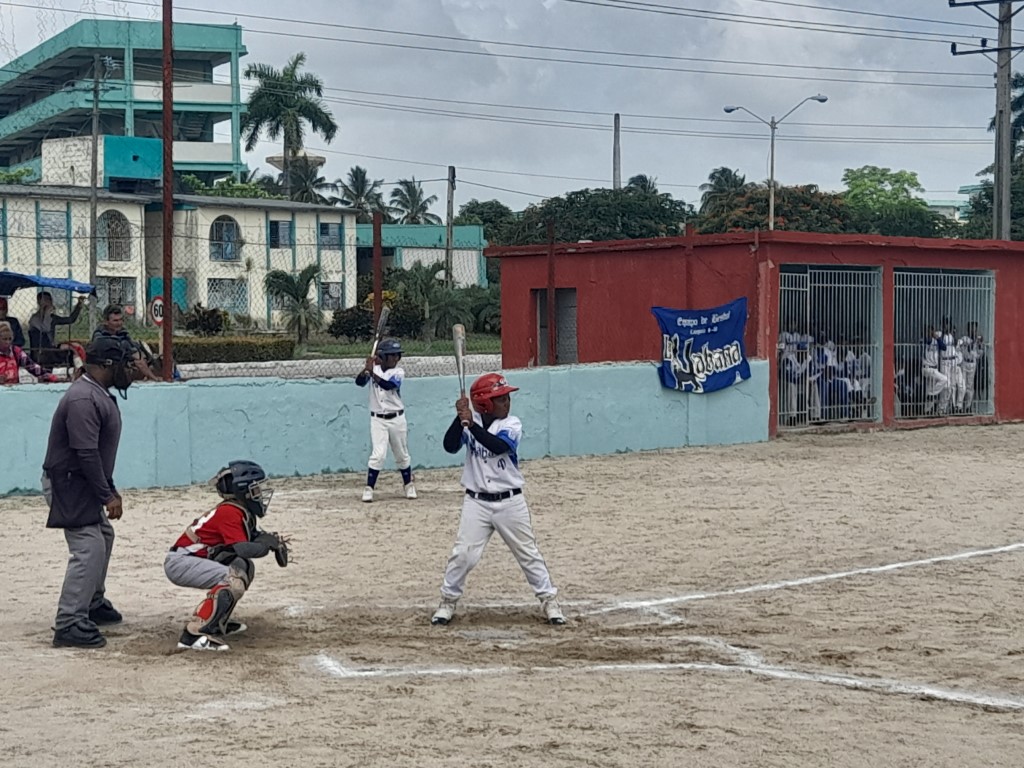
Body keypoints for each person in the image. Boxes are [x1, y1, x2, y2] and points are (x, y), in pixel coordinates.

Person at [431, 373, 565, 627]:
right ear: (484, 404)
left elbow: (498, 446)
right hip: (477, 502)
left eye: (506, 398)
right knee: (463, 555)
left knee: (528, 553)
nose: (507, 403)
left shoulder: (511, 424)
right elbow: (449, 446)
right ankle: (447, 602)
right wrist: (459, 417)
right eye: (500, 399)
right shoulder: (471, 422)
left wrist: (471, 424)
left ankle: (549, 601)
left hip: (510, 502)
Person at [43, 335, 136, 649]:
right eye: (125, 363)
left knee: (103, 536)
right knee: (88, 546)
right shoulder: (84, 398)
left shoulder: (95, 392)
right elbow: (85, 454)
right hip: (70, 481)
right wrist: (107, 495)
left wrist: (107, 489)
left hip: (80, 479)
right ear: (107, 365)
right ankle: (69, 622)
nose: (131, 369)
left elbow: (93, 454)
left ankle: (92, 602)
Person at [165, 460, 289, 652]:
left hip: (192, 559)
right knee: (233, 578)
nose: (260, 494)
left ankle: (217, 623)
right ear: (242, 491)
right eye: (255, 490)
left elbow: (246, 546)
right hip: (181, 563)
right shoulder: (230, 512)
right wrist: (266, 546)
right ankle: (194, 633)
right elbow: (244, 549)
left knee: (244, 566)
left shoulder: (239, 511)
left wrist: (267, 541)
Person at [355, 338, 416, 502]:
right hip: (378, 420)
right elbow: (359, 383)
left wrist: (371, 372)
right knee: (378, 455)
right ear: (382, 356)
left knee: (401, 454)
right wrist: (365, 370)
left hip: (397, 418)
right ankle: (369, 488)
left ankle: (408, 484)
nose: (395, 359)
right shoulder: (373, 370)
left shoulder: (398, 372)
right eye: (392, 355)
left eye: (397, 355)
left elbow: (389, 385)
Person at [93, 304, 161, 382]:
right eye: (115, 320)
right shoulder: (99, 336)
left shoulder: (123, 334)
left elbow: (136, 355)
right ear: (106, 321)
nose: (119, 323)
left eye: (121, 320)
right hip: (102, 373)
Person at [29, 291, 85, 365]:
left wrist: (79, 306)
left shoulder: (52, 318)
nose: (48, 302)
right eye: (45, 300)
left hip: (52, 348)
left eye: (49, 300)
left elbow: (70, 319)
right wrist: (47, 314)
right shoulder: (34, 319)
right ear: (39, 302)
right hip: (40, 351)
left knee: (73, 349)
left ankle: (78, 369)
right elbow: (46, 328)